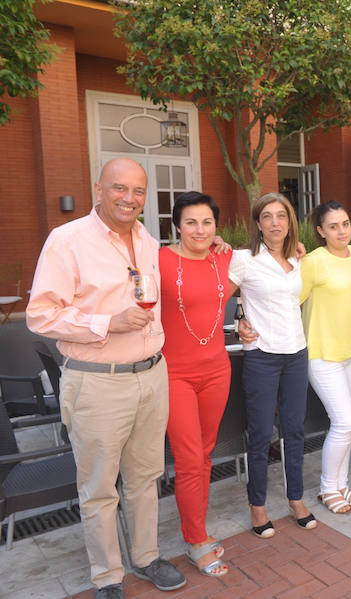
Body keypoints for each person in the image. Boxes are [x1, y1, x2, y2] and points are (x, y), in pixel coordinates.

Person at [27, 157, 186, 599]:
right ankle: (107, 576)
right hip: (97, 381)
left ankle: (147, 556)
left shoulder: (147, 239)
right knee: (98, 487)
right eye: (119, 188)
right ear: (99, 188)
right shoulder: (67, 240)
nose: (129, 199)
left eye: (138, 191)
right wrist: (105, 323)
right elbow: (40, 315)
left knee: (145, 476)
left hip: (151, 376)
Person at [228, 192, 315, 536]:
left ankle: (296, 499)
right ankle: (258, 505)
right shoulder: (244, 260)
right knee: (262, 433)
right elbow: (217, 296)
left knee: (294, 430)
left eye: (282, 215)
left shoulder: (298, 258)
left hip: (296, 352)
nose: (275, 222)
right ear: (258, 223)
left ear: (290, 221)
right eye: (267, 216)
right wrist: (238, 320)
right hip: (262, 355)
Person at [159, 192, 234, 576]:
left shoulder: (224, 258)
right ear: (177, 225)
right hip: (175, 375)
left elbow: (261, 278)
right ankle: (195, 539)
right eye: (191, 222)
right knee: (189, 459)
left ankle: (197, 529)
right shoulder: (159, 260)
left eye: (207, 222)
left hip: (218, 370)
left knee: (205, 454)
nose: (200, 230)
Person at [300, 201, 351, 513]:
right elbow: (291, 301)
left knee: (346, 425)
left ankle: (342, 485)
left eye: (344, 224)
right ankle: (328, 488)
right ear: (320, 231)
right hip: (323, 353)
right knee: (346, 422)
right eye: (333, 226)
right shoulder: (312, 261)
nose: (341, 231)